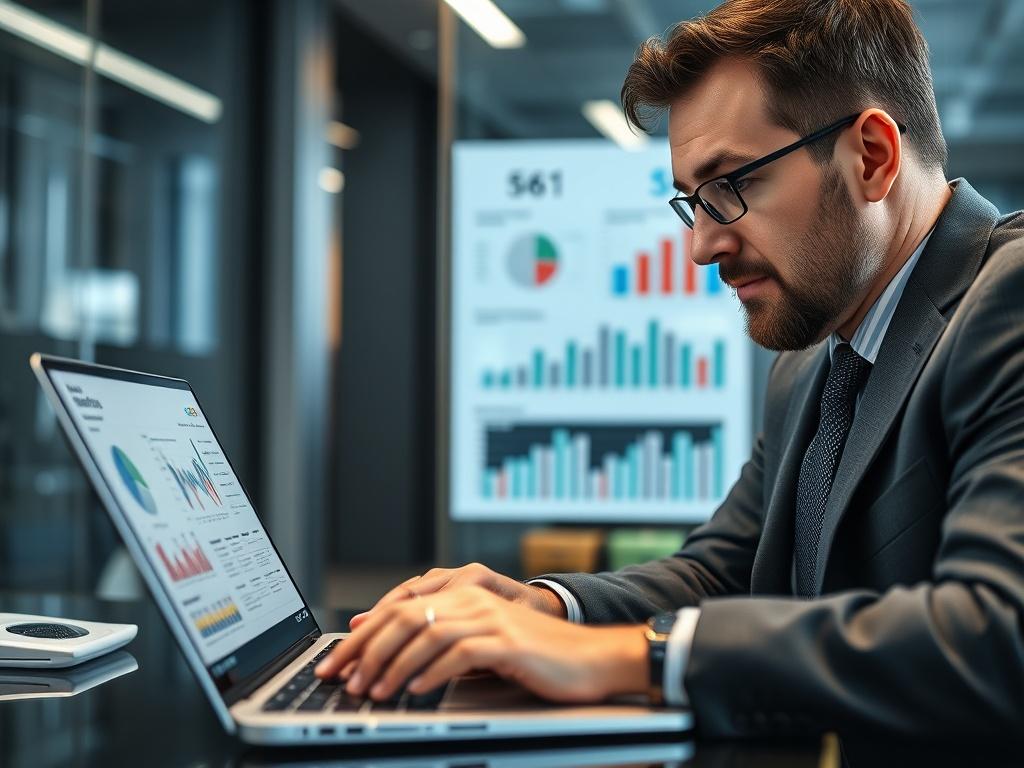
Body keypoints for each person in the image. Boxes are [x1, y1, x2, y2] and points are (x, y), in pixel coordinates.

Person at [317, 0, 1024, 737]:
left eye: (730, 187)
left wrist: (640, 658)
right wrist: (547, 610)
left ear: (871, 156)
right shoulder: (817, 362)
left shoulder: (1007, 301)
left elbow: (996, 630)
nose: (703, 247)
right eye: (694, 203)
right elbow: (727, 570)